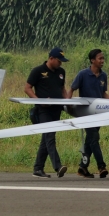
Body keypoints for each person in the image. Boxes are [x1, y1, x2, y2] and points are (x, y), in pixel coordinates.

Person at [67, 49, 109, 179]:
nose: (102, 61)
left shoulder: (103, 76)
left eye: (103, 58)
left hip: (99, 113)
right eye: (100, 58)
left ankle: (83, 168)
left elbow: (103, 93)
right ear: (92, 60)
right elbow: (72, 89)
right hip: (86, 113)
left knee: (89, 141)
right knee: (94, 138)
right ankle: (101, 166)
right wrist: (68, 106)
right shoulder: (83, 74)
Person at [25, 47, 69, 179]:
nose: (60, 63)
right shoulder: (38, 71)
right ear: (51, 59)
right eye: (59, 61)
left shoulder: (61, 72)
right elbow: (27, 88)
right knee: (49, 136)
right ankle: (58, 166)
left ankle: (38, 168)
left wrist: (67, 102)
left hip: (57, 109)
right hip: (43, 110)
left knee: (46, 139)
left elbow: (62, 89)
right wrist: (38, 101)